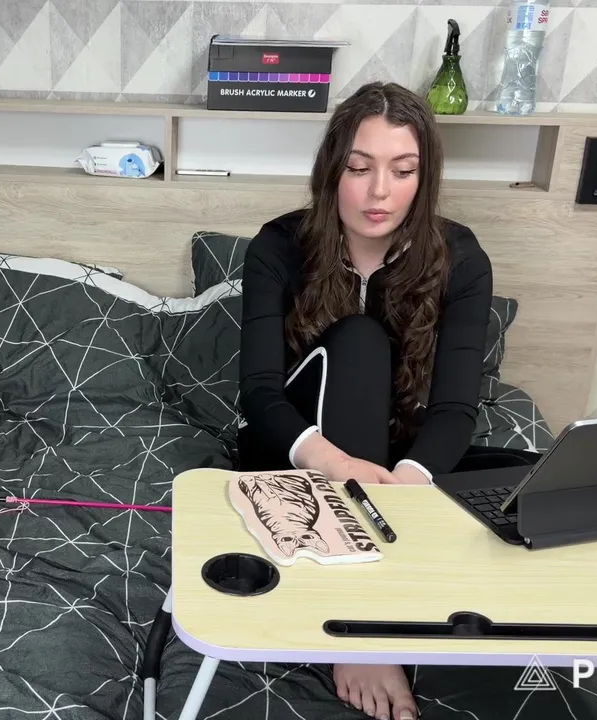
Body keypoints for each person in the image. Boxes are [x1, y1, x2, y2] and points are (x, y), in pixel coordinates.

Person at [237, 81, 535, 719]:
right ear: (332, 171)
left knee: (531, 487)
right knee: (361, 340)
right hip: (298, 452)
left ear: (424, 179)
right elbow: (259, 394)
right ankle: (363, 624)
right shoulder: (278, 246)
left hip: (398, 458)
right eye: (359, 168)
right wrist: (340, 466)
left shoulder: (461, 258)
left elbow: (455, 409)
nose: (379, 192)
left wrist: (410, 480)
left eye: (402, 171)